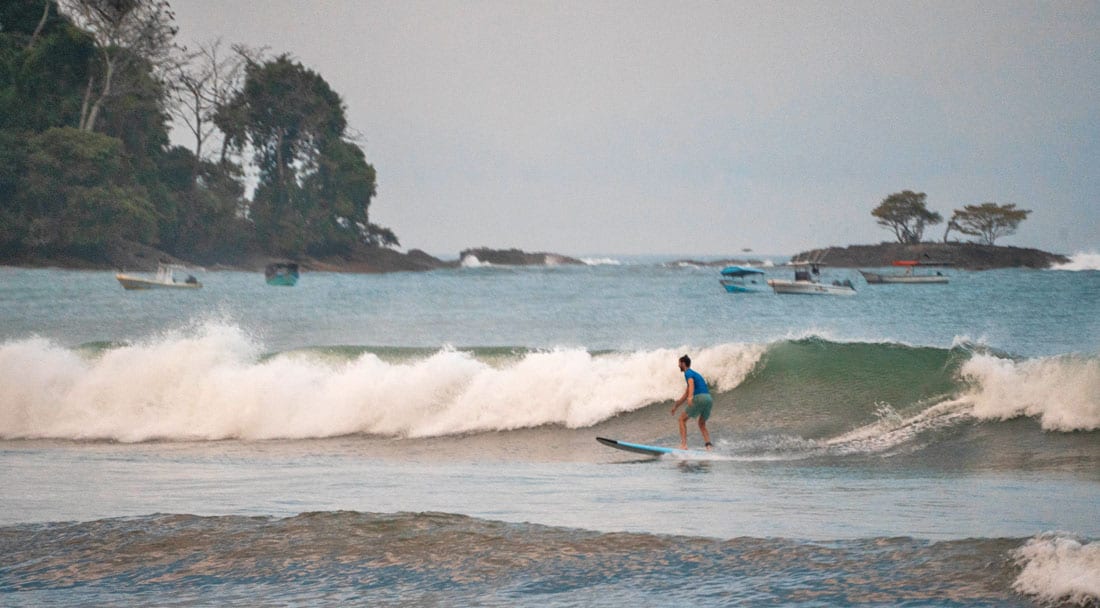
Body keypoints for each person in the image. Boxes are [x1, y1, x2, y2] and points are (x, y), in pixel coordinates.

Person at [670, 354, 713, 450]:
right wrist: (675, 407)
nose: (678, 365)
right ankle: (709, 446)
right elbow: (686, 394)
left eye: (679, 363)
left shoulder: (688, 373)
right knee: (701, 423)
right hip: (708, 399)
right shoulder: (695, 374)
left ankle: (684, 445)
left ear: (683, 364)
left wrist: (690, 398)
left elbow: (691, 383)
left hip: (699, 398)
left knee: (681, 420)